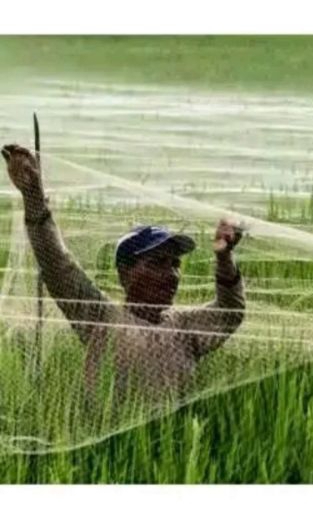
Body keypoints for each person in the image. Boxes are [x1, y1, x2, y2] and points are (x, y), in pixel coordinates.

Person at [1, 143, 246, 400]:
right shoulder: (101, 319)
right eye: (157, 263)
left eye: (175, 264)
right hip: (113, 439)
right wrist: (33, 197)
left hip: (172, 439)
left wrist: (224, 256)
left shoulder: (184, 328)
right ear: (125, 273)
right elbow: (58, 267)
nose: (172, 274)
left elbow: (230, 313)